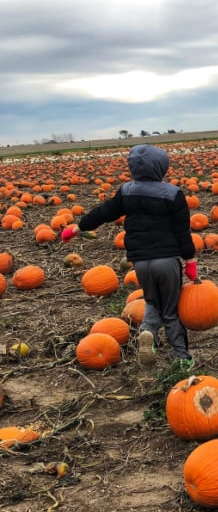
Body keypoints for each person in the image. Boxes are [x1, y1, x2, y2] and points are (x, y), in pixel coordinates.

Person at [61, 144, 197, 369]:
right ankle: (181, 358)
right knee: (171, 311)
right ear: (161, 167)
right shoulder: (174, 194)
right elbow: (182, 232)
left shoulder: (127, 192)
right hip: (167, 260)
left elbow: (103, 213)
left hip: (141, 262)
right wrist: (190, 261)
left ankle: (147, 332)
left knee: (152, 302)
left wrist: (77, 228)